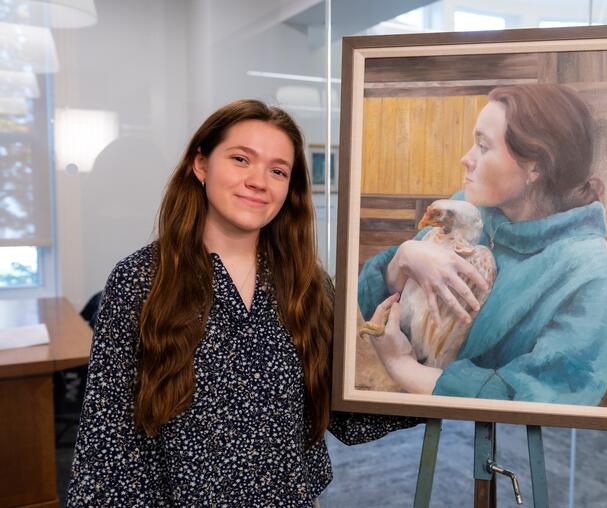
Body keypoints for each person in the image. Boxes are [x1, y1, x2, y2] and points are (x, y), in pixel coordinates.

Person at [67, 99, 417, 506]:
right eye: (240, 159)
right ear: (201, 165)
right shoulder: (141, 281)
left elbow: (343, 417)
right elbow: (107, 442)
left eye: (278, 171)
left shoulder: (307, 285)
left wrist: (447, 393)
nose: (259, 181)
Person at [359, 84, 607, 406]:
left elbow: (552, 393)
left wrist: (401, 366)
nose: (465, 158)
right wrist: (403, 259)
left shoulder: (588, 269)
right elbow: (379, 306)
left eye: (482, 145)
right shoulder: (467, 210)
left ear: (534, 166)